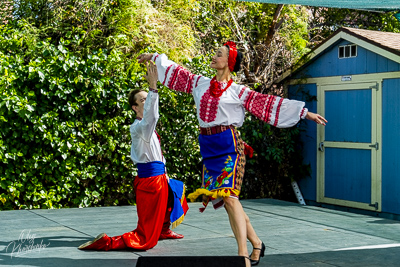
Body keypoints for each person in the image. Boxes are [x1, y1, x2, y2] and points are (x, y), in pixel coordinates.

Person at [137, 42, 327, 266]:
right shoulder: (200, 83)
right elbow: (177, 73)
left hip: (229, 147)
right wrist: (154, 56)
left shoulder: (238, 91)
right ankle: (256, 243)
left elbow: (267, 104)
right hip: (208, 147)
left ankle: (242, 255)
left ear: (229, 62)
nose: (214, 56)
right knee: (228, 202)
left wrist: (304, 113)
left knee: (230, 196)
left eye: (219, 54)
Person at [78, 61, 188, 251]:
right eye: (143, 100)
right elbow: (151, 118)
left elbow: (156, 153)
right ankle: (107, 242)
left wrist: (165, 172)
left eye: (147, 98)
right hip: (151, 182)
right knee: (145, 238)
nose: (147, 102)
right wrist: (153, 88)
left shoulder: (147, 129)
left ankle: (163, 229)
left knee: (176, 192)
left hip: (158, 176)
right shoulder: (139, 128)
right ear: (135, 108)